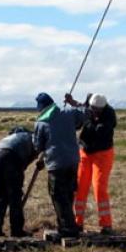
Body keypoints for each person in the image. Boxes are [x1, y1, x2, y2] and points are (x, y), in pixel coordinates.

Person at [31, 92, 85, 237]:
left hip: (56, 164)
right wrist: (73, 103)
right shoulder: (68, 112)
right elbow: (83, 117)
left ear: (41, 107)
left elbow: (37, 146)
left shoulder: (41, 122)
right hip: (73, 161)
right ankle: (65, 225)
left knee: (58, 196)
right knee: (68, 194)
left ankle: (68, 229)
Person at [66, 92, 117, 233]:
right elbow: (82, 107)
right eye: (92, 108)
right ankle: (77, 222)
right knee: (80, 188)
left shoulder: (109, 116)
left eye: (97, 110)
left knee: (99, 188)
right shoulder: (89, 106)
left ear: (103, 108)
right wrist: (72, 102)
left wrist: (90, 120)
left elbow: (99, 130)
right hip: (85, 153)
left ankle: (106, 225)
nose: (94, 111)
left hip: (102, 154)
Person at [0, 126, 37, 237]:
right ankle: (17, 231)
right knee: (15, 195)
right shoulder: (31, 137)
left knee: (2, 194)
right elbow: (36, 151)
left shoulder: (11, 137)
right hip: (11, 156)